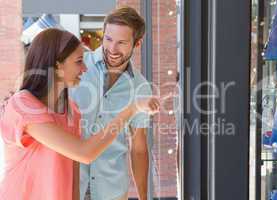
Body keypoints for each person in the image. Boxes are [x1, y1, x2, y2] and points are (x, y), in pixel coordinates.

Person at [0, 28, 159, 200]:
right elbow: (85, 153)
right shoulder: (23, 105)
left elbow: (74, 174)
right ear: (57, 64)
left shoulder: (72, 111)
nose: (84, 68)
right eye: (78, 62)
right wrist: (132, 108)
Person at [71, 6, 152, 200]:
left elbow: (139, 148)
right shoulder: (76, 68)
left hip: (111, 191)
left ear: (137, 43)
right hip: (70, 185)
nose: (112, 49)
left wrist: (144, 197)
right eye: (108, 39)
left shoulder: (140, 87)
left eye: (122, 42)